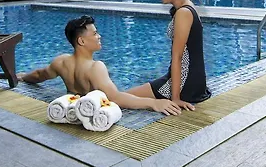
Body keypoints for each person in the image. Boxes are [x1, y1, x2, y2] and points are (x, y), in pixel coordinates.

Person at [17, 15, 182, 115]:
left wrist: (23, 77)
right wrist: (154, 103)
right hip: (89, 113)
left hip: (74, 108)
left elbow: (39, 75)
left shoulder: (61, 62)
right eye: (95, 33)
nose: (99, 36)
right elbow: (115, 98)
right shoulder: (95, 68)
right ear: (81, 41)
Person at [127, 0, 211, 108]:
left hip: (185, 84)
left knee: (120, 97)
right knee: (125, 96)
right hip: (192, 81)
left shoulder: (183, 13)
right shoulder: (187, 7)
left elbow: (177, 56)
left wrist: (175, 98)